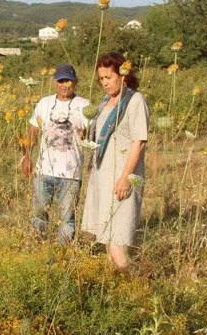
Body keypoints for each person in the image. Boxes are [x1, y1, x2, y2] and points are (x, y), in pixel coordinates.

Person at [81, 52, 150, 271]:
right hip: (102, 177)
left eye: (108, 77)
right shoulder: (104, 103)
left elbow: (139, 141)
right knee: (107, 238)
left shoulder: (135, 100)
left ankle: (128, 286)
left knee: (117, 240)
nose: (104, 83)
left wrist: (125, 178)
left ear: (123, 75)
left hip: (121, 177)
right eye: (101, 79)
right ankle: (115, 287)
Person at [21, 63, 90, 244]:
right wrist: (26, 156)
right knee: (38, 215)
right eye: (60, 81)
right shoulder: (45, 103)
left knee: (67, 219)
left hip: (71, 174)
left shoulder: (84, 105)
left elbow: (93, 136)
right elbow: (32, 131)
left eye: (68, 81)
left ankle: (62, 255)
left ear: (75, 82)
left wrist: (86, 133)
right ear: (54, 83)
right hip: (43, 171)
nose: (64, 85)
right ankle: (36, 248)